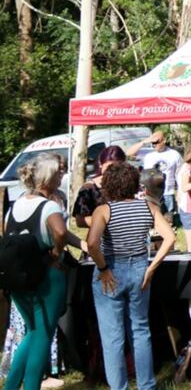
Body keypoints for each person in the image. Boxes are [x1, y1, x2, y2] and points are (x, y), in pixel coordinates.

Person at [86, 161, 174, 390]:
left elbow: (92, 243)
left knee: (112, 336)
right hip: (139, 270)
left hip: (111, 271)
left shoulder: (103, 210)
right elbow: (170, 238)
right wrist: (151, 268)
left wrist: (104, 268)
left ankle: (119, 387)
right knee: (140, 330)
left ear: (108, 185)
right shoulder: (148, 207)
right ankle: (147, 385)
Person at [3, 154, 80, 390]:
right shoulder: (50, 206)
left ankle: (11, 386)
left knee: (32, 332)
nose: (61, 175)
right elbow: (59, 232)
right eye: (58, 172)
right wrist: (58, 252)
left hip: (19, 277)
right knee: (43, 335)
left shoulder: (16, 206)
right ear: (47, 177)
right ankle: (31, 386)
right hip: (48, 275)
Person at [128, 131, 183, 218]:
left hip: (167, 193)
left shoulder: (174, 155)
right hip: (149, 193)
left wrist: (180, 192)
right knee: (151, 218)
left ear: (164, 140)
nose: (154, 144)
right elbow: (129, 153)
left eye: (157, 142)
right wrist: (144, 141)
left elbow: (179, 175)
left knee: (168, 219)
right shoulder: (147, 153)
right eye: (152, 142)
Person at [72, 145, 125, 228]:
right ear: (100, 164)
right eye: (109, 167)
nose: (112, 171)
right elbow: (80, 221)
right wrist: (108, 220)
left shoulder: (129, 185)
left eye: (117, 167)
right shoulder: (89, 188)